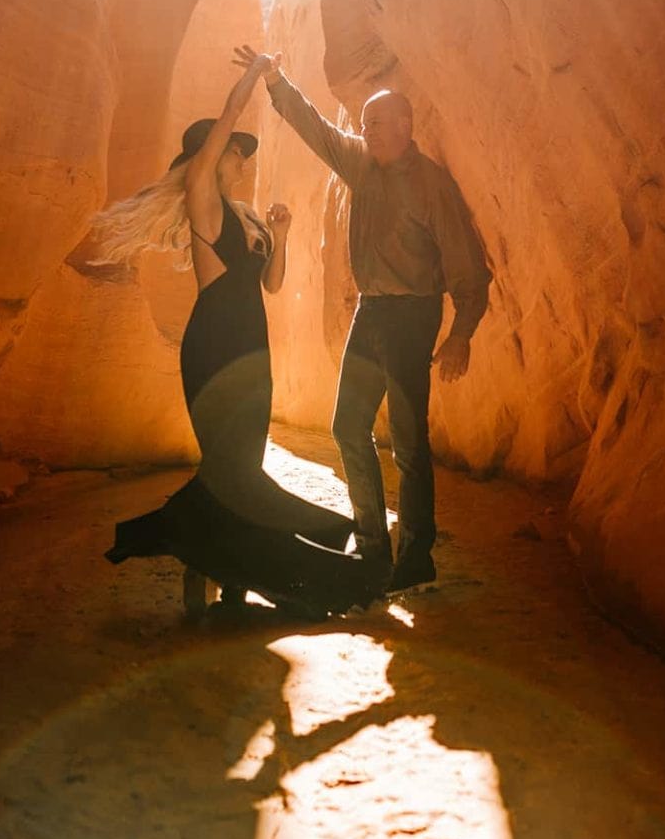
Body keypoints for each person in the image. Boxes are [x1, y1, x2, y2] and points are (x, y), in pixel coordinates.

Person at [69, 52, 375, 620]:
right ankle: (227, 562)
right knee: (228, 468)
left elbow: (273, 286)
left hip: (251, 350)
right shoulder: (203, 204)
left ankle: (230, 579)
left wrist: (280, 236)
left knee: (243, 467)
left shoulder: (244, 217)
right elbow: (228, 120)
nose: (242, 156)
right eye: (235, 149)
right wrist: (256, 74)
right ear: (214, 157)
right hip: (213, 346)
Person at [234, 44, 492, 593]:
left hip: (412, 317)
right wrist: (276, 81)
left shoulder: (431, 185)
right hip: (371, 312)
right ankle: (373, 548)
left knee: (408, 442)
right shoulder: (360, 164)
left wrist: (460, 334)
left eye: (377, 122)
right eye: (365, 122)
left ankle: (415, 558)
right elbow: (319, 130)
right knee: (347, 427)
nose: (366, 129)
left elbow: (467, 268)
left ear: (405, 124)